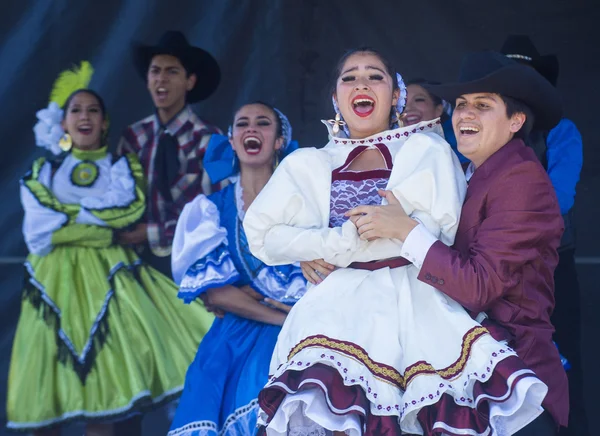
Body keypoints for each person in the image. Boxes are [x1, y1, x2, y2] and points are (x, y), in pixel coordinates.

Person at [244, 48, 548, 436]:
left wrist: (324, 246)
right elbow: (262, 234)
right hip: (336, 314)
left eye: (375, 76)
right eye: (349, 77)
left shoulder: (425, 150)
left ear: (396, 96)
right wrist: (324, 244)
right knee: (332, 414)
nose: (361, 84)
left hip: (416, 310)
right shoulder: (309, 163)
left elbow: (439, 228)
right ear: (336, 99)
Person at [346, 51, 569, 435]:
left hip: (514, 389)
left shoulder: (521, 180)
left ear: (516, 121)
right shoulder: (462, 170)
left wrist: (404, 231)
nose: (466, 114)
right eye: (462, 104)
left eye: (483, 106)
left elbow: (478, 286)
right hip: (466, 382)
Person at [7, 86, 214, 436]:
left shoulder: (121, 168)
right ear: (63, 123)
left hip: (112, 286)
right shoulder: (45, 170)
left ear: (105, 123)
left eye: (92, 111)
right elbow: (39, 233)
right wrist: (99, 230)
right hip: (51, 287)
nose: (84, 116)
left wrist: (67, 221)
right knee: (48, 389)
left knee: (105, 395)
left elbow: (124, 213)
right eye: (76, 110)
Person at [167, 103, 307, 436]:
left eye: (262, 123)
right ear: (231, 141)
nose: (251, 130)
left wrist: (254, 298)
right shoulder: (211, 210)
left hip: (301, 332)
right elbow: (217, 292)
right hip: (238, 336)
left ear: (279, 141)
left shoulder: (307, 202)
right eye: (242, 124)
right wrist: (281, 316)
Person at [500, 35, 587, 436]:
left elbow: (559, 198)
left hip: (549, 266)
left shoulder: (561, 130)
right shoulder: (481, 130)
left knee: (561, 359)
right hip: (493, 268)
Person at [117, 30, 222, 277]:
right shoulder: (133, 137)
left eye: (172, 71)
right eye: (155, 71)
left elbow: (213, 210)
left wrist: (152, 232)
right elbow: (120, 196)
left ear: (190, 81)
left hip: (194, 260)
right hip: (137, 261)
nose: (161, 79)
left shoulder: (210, 139)